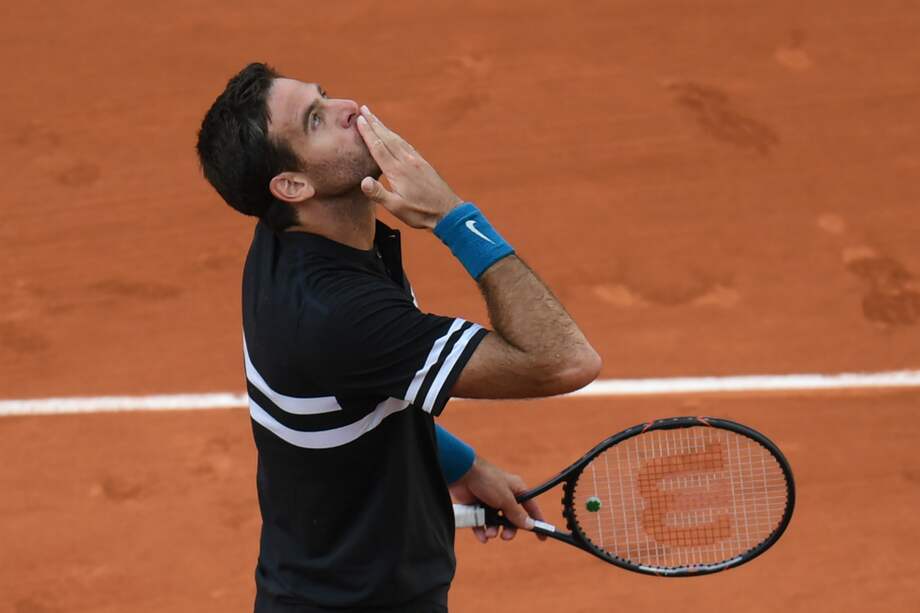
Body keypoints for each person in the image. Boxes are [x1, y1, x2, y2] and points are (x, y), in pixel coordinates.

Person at [196, 63, 600, 613]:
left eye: (324, 95)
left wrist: (460, 464)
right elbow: (566, 360)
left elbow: (365, 396)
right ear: (292, 185)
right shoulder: (339, 314)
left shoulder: (293, 236)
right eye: (315, 120)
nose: (348, 108)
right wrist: (453, 217)